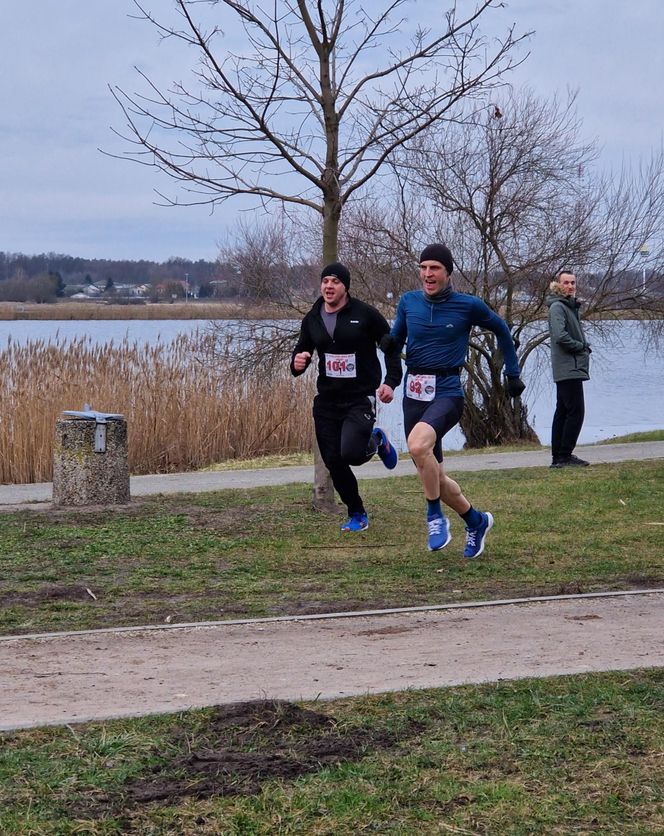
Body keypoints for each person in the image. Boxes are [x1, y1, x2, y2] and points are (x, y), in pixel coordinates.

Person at [390, 244, 525, 557]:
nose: (427, 274)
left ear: (447, 272)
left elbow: (502, 330)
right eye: (423, 268)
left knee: (417, 446)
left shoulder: (468, 305)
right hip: (414, 392)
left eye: (434, 268)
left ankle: (434, 516)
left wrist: (512, 372)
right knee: (434, 473)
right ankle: (475, 521)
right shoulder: (408, 302)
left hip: (447, 390)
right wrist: (388, 362)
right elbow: (395, 341)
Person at [290, 262, 403, 532]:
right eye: (325, 281)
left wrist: (390, 382)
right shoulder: (312, 318)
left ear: (345, 287)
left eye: (335, 281)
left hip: (359, 397)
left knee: (351, 453)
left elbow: (391, 347)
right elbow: (300, 355)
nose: (329, 286)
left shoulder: (365, 315)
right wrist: (297, 363)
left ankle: (376, 440)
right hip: (327, 400)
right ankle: (357, 513)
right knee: (333, 461)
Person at [546, 270, 591, 468]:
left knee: (563, 410)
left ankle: (559, 458)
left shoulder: (570, 306)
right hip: (567, 367)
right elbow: (560, 336)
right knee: (576, 411)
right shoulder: (558, 306)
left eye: (573, 282)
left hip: (571, 366)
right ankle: (564, 455)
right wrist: (581, 346)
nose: (570, 286)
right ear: (558, 284)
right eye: (566, 283)